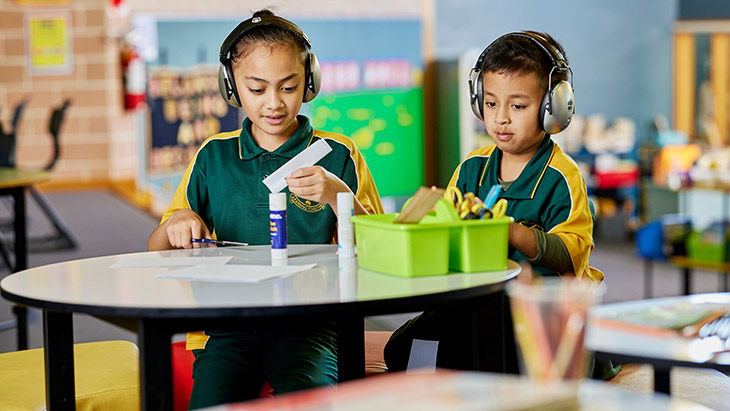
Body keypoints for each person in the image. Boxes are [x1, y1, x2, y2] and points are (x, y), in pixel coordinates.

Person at [147, 10, 383, 409]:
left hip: (311, 325)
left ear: (310, 83)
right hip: (226, 327)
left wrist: (341, 198)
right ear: (231, 88)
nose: (273, 103)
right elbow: (157, 250)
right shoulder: (212, 156)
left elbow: (380, 250)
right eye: (256, 89)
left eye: (288, 87)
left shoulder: (340, 154)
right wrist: (179, 222)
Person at [384, 31, 613, 376]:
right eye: (490, 103)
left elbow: (570, 253)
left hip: (537, 309)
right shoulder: (471, 167)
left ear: (554, 107)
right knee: (402, 351)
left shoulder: (561, 177)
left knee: (496, 359)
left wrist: (509, 232)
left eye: (517, 106)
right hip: (473, 299)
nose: (501, 118)